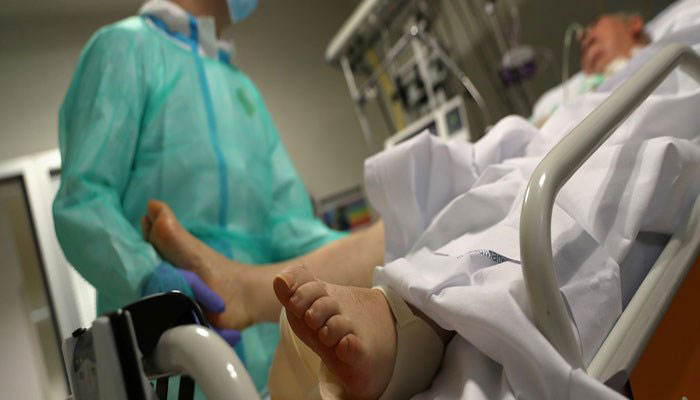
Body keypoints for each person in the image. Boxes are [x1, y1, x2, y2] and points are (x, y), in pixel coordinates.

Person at [138, 10, 700, 399]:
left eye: (596, 30)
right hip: (537, 144)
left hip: (607, 138)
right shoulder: (566, 92)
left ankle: (409, 321)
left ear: (635, 24)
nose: (585, 41)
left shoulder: (672, 57)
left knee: (569, 181)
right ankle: (252, 291)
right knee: (464, 182)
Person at [52, 0, 384, 394]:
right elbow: (84, 200)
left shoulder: (241, 89)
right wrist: (148, 276)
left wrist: (369, 259)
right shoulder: (124, 49)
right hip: (165, 354)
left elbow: (289, 225)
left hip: (265, 356)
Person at [532, 13, 652, 127]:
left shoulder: (656, 62)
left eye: (594, 23)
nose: (581, 36)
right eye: (581, 52)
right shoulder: (571, 99)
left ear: (634, 24)